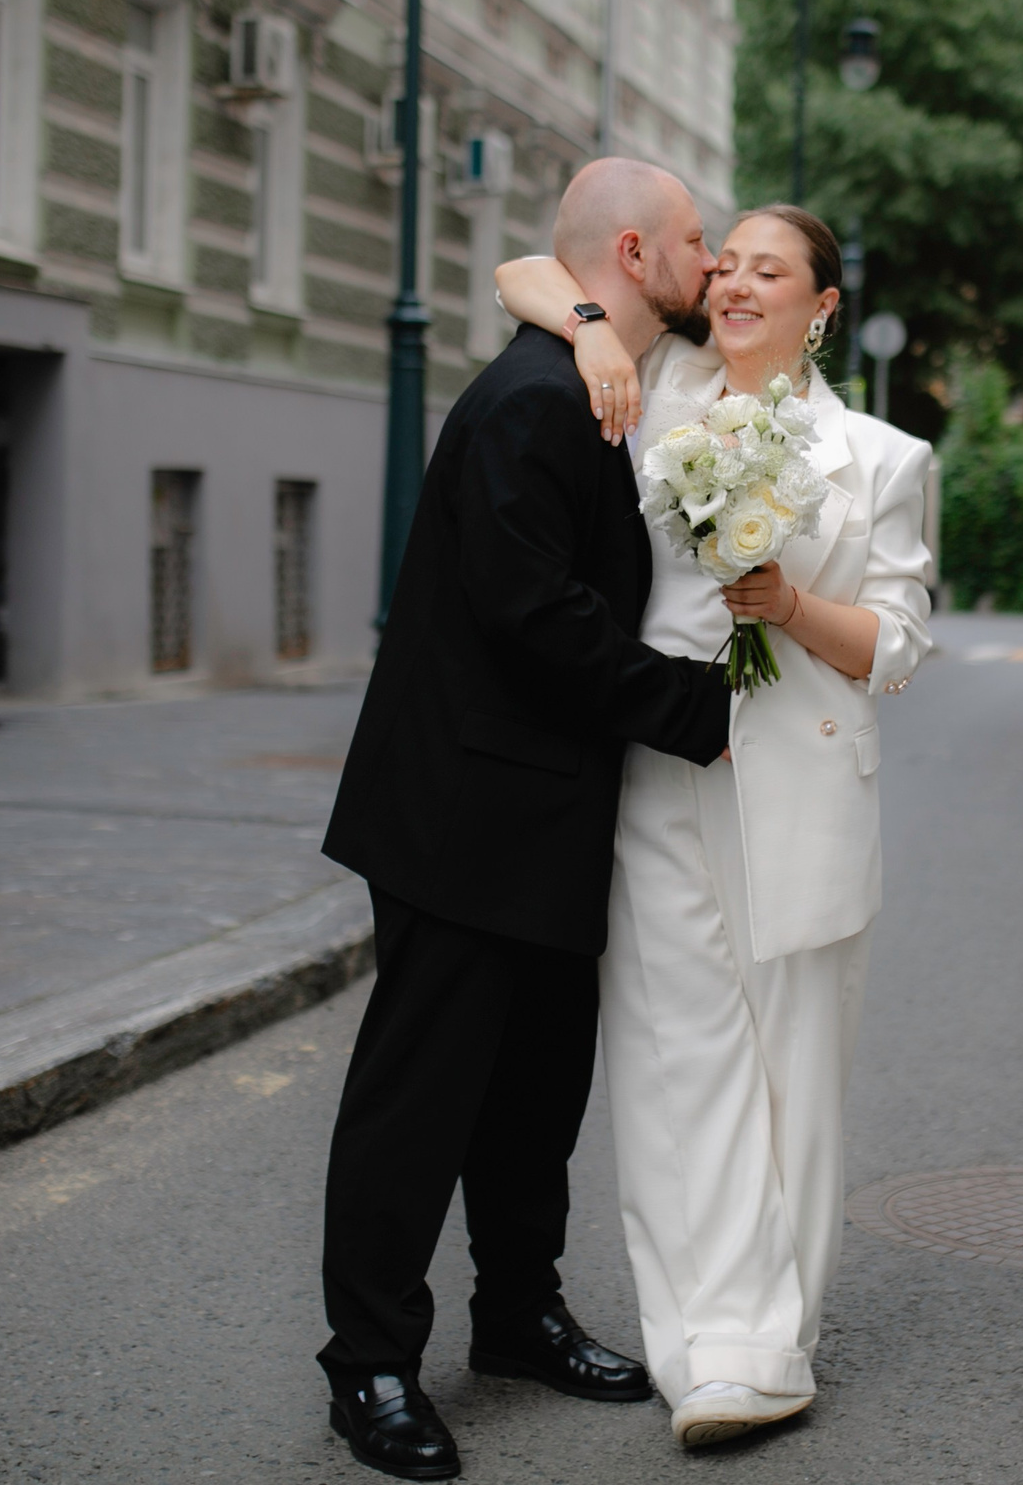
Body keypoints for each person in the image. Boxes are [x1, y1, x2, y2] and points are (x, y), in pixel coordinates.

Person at [314, 158, 734, 1481]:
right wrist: (694, 707)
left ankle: (517, 1316)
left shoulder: (594, 368)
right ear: (631, 249)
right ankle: (370, 1365)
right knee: (417, 1101)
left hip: (548, 812)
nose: (712, 263)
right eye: (694, 241)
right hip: (461, 811)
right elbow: (534, 616)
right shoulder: (536, 400)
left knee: (534, 1092)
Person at [492, 203, 934, 1449]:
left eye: (769, 269)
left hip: (795, 778)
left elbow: (895, 648)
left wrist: (789, 602)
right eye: (724, 262)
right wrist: (588, 331)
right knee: (677, 1063)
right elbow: (519, 267)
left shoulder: (883, 460)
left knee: (793, 1072)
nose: (735, 281)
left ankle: (769, 1339)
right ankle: (703, 1351)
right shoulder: (656, 379)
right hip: (652, 772)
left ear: (822, 303)